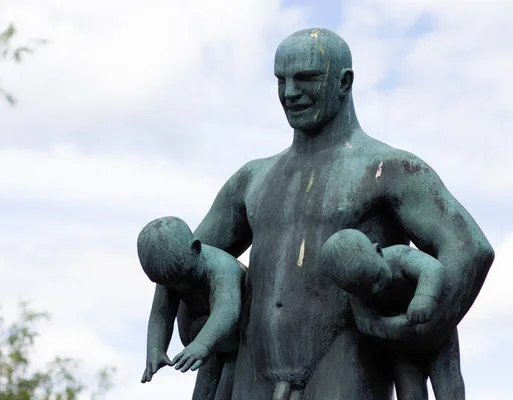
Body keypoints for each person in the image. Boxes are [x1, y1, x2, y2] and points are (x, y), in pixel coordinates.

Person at [193, 28, 495, 399]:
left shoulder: (389, 168)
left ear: (344, 82)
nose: (289, 92)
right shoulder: (252, 178)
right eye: (281, 80)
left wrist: (423, 326)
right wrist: (199, 316)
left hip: (347, 366)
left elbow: (469, 248)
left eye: (306, 78)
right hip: (255, 369)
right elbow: (191, 255)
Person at [320, 228, 465, 399]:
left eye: (376, 277)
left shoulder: (400, 256)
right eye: (365, 290)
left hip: (436, 332)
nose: (375, 289)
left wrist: (424, 298)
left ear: (378, 251)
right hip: (403, 345)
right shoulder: (356, 293)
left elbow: (432, 269)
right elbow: (365, 322)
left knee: (448, 382)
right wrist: (392, 328)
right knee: (409, 392)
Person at [137, 216, 245, 400]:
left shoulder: (222, 267)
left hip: (239, 340)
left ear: (195, 249)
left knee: (228, 388)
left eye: (184, 277)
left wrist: (201, 345)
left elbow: (227, 310)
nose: (180, 287)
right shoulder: (170, 275)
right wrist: (156, 350)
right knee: (203, 391)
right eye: (171, 284)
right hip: (206, 341)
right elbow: (161, 314)